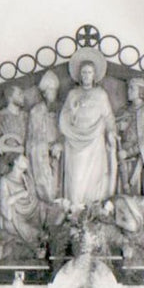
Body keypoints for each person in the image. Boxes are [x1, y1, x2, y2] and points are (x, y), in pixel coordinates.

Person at [58, 47, 117, 206]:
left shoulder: (100, 94)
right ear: (79, 74)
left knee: (94, 178)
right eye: (83, 72)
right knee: (76, 178)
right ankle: (75, 209)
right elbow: (63, 118)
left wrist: (111, 132)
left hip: (95, 141)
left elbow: (108, 117)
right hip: (75, 141)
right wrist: (73, 111)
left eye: (89, 72)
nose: (86, 75)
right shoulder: (73, 94)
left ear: (94, 75)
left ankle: (93, 211)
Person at [0, 150, 47, 261]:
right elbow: (4, 203)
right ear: (15, 162)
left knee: (45, 212)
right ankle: (35, 248)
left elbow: (33, 199)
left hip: (31, 213)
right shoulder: (5, 180)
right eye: (23, 159)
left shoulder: (27, 179)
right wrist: (19, 194)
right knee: (34, 233)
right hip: (15, 217)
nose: (27, 161)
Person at [115, 76, 144, 197]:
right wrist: (119, 128)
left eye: (132, 89)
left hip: (138, 159)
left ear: (140, 91)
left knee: (134, 194)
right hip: (121, 155)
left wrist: (128, 152)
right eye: (129, 88)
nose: (129, 91)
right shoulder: (124, 111)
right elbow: (114, 130)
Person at [26, 70, 64, 202]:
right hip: (42, 150)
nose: (53, 93)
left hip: (59, 150)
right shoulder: (36, 111)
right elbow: (34, 136)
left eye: (54, 90)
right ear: (44, 93)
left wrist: (60, 144)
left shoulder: (61, 109)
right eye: (49, 90)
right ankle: (47, 199)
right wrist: (46, 147)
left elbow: (66, 132)